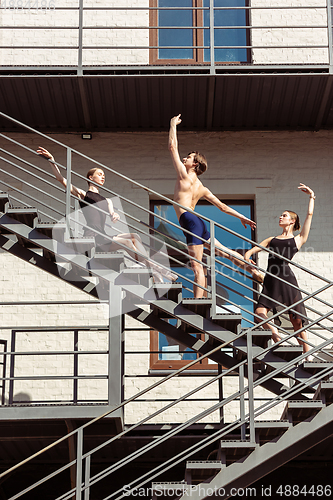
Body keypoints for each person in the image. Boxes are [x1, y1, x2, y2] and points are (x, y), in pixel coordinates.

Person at [37, 147, 176, 283]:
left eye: (104, 175)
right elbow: (62, 180)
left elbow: (112, 214)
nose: (103, 177)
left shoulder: (107, 200)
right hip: (93, 236)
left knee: (135, 236)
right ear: (90, 177)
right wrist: (52, 160)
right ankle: (155, 268)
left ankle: (152, 268)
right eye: (100, 174)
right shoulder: (85, 195)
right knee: (127, 242)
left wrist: (115, 216)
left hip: (103, 235)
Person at [168, 114, 264, 298]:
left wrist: (173, 125)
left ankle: (197, 305)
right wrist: (242, 217)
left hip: (190, 222)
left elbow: (172, 146)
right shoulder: (202, 188)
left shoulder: (184, 176)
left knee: (197, 265)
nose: (184, 159)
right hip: (198, 223)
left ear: (194, 164)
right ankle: (254, 271)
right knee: (225, 253)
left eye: (188, 158)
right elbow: (222, 207)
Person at [244, 183, 315, 359]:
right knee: (259, 314)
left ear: (292, 221)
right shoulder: (272, 239)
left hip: (286, 280)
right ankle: (276, 336)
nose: (280, 217)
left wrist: (311, 196)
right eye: (281, 215)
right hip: (271, 280)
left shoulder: (298, 240)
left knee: (296, 320)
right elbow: (251, 251)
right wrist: (247, 257)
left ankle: (307, 352)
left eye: (284, 216)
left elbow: (309, 216)